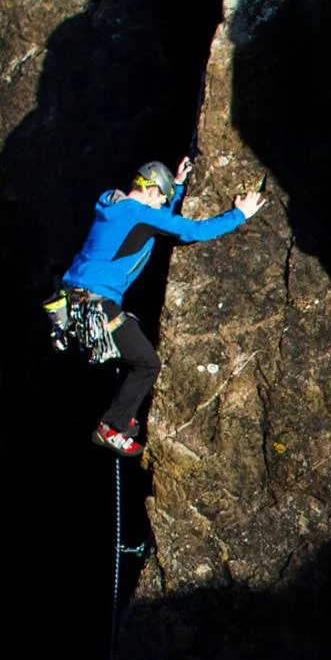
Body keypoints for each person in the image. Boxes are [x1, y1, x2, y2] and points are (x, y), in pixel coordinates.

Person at [61, 157, 265, 456]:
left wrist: (178, 186)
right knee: (147, 364)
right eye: (163, 198)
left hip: (76, 300)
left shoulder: (112, 204)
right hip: (98, 304)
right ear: (153, 189)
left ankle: (122, 414)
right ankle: (112, 427)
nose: (162, 204)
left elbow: (152, 225)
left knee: (136, 357)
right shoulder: (138, 213)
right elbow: (192, 231)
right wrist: (239, 214)